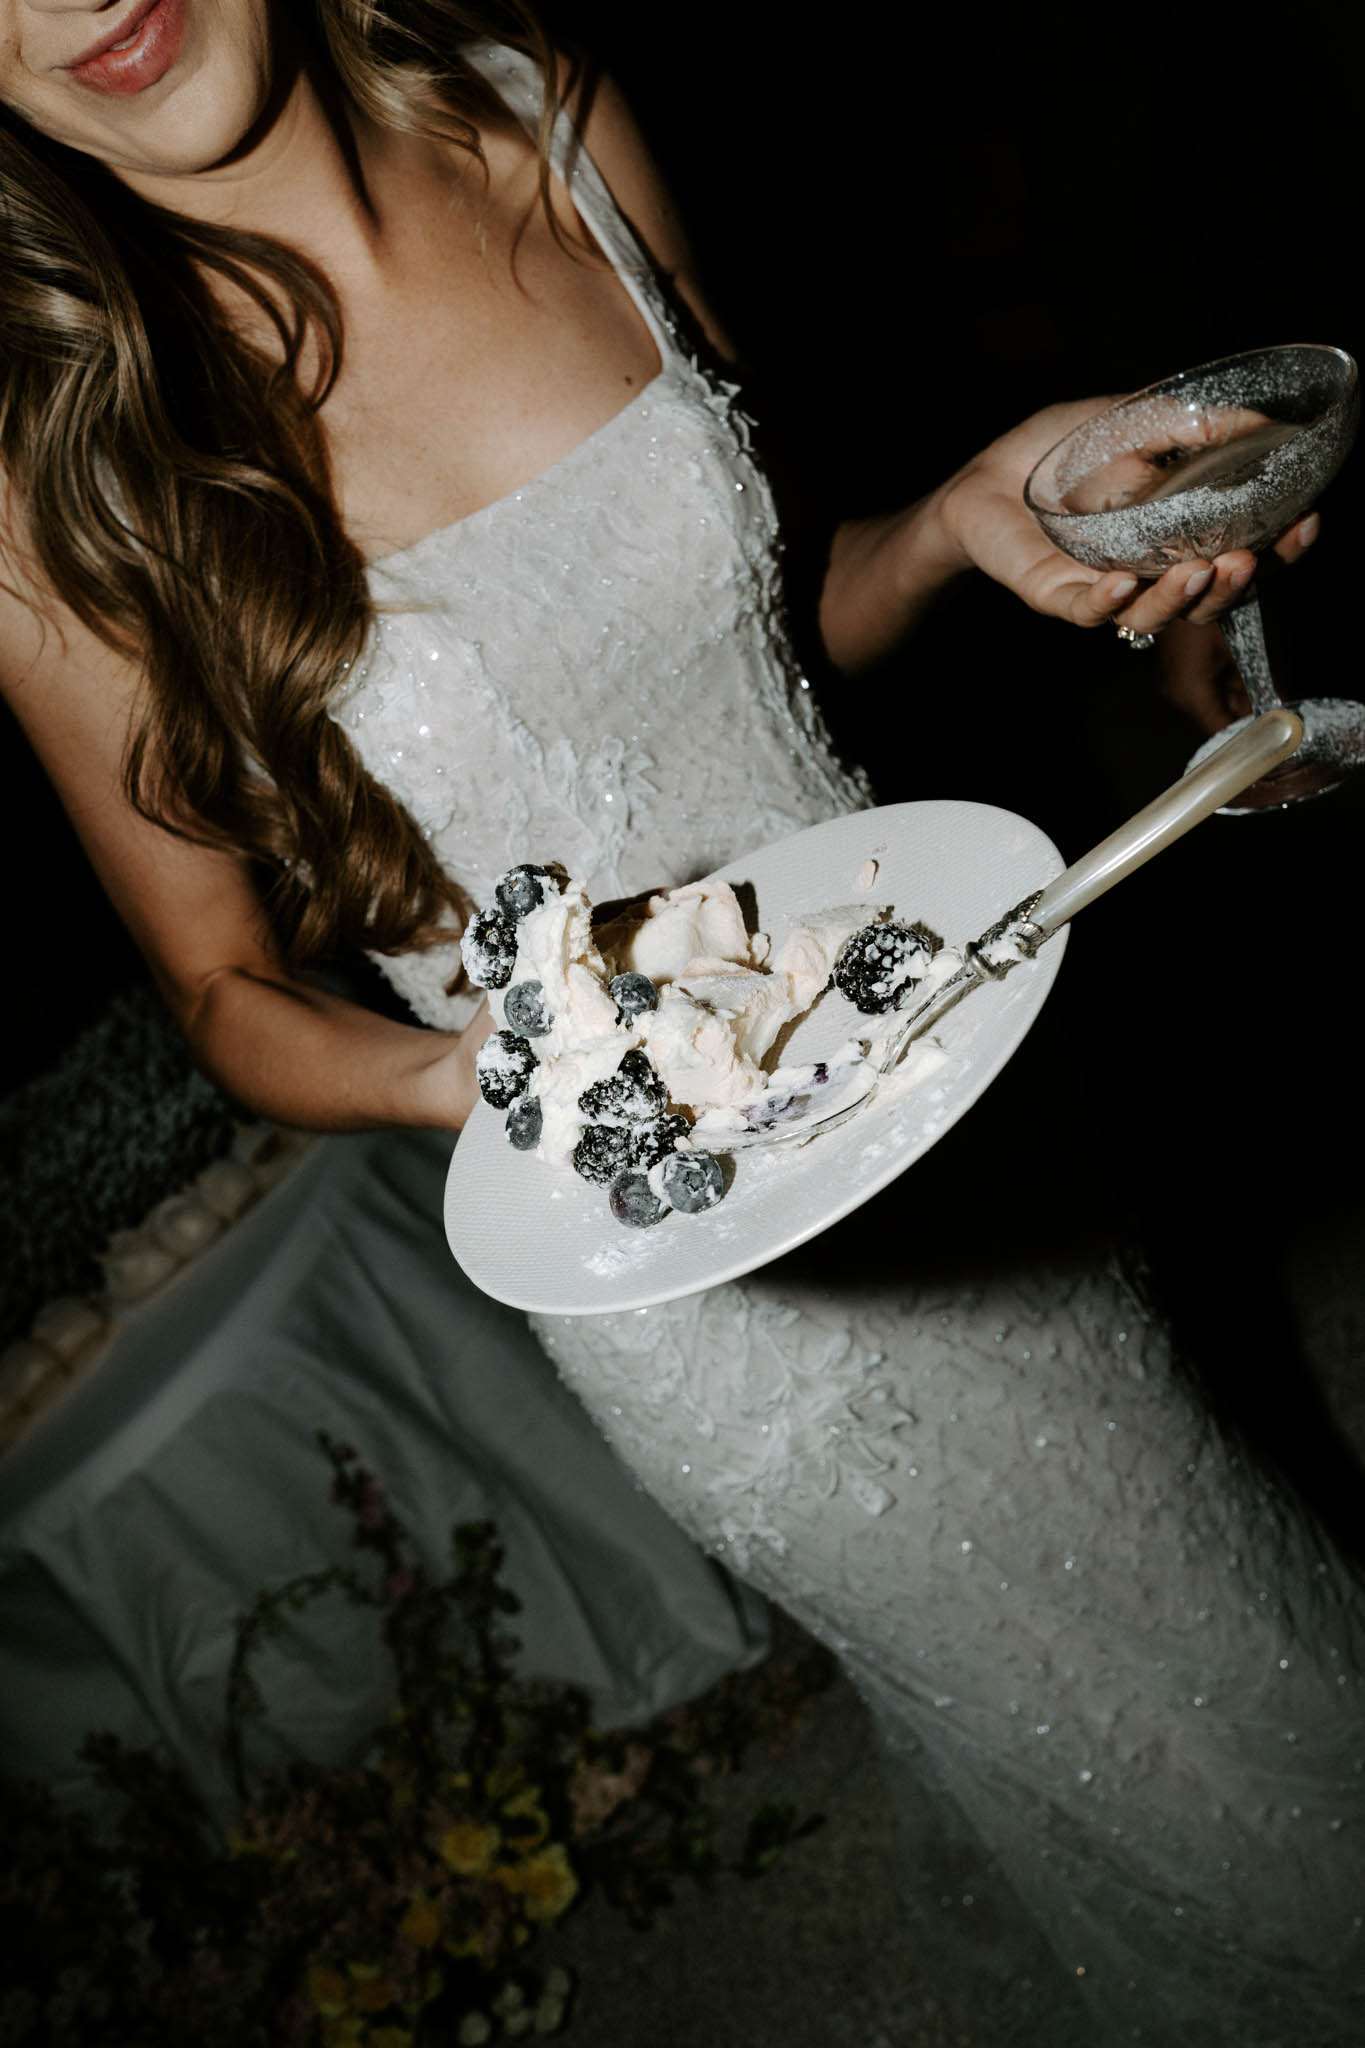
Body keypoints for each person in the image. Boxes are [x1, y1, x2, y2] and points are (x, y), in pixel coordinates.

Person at [0, 4, 1359, 2042]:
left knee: (1205, 1632)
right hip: (724, 1290)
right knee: (1254, 1781)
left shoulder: (544, 114)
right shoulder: (47, 465)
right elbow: (220, 988)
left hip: (953, 1046)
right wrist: (468, 1068)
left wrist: (975, 512)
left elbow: (765, 624)